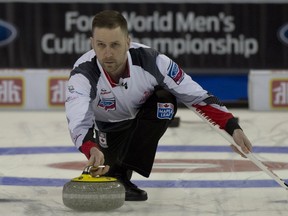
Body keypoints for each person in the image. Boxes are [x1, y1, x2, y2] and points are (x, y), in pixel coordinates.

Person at [65, 10, 253, 202]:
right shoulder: (83, 74)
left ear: (128, 42)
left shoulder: (153, 62)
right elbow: (78, 119)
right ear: (92, 43)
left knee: (165, 101)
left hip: (141, 122)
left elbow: (196, 96)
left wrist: (232, 127)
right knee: (107, 169)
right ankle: (116, 170)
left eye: (115, 45)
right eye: (101, 45)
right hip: (108, 128)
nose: (108, 54)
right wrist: (91, 148)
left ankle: (122, 172)